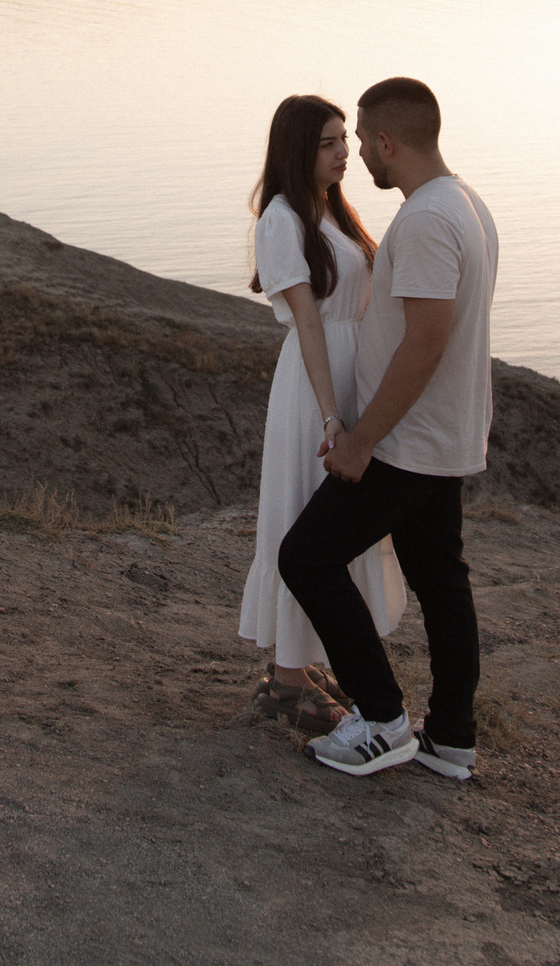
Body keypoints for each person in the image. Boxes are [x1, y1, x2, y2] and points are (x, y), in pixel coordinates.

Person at [278, 76, 499, 780]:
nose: (358, 156)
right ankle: (452, 739)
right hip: (442, 436)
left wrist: (363, 438)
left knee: (306, 557)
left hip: (407, 441)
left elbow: (425, 341)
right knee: (441, 583)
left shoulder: (428, 219)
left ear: (386, 142)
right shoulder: (466, 202)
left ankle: (381, 720)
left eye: (362, 140)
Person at [236, 94, 408, 733]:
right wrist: (332, 415)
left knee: (334, 527)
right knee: (303, 515)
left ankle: (306, 661)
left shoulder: (331, 210)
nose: (345, 153)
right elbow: (308, 321)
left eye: (344, 140)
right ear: (298, 149)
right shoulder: (282, 219)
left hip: (349, 373)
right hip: (315, 387)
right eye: (329, 143)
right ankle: (287, 679)